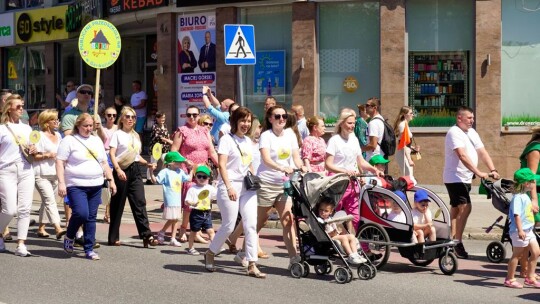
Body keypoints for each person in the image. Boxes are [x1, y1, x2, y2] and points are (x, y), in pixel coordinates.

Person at [206, 107, 266, 278]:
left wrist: (255, 179)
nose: (246, 124)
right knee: (229, 225)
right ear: (235, 122)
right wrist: (229, 186)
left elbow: (249, 164)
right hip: (229, 185)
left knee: (251, 224)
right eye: (243, 121)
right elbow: (222, 165)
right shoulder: (226, 140)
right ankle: (210, 253)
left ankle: (252, 264)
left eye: (248, 121)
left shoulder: (248, 142)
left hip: (247, 187)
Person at [56, 113, 116, 260]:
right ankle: (70, 235)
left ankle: (89, 248)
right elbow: (60, 162)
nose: (89, 129)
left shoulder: (96, 141)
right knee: (81, 213)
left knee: (91, 217)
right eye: (85, 126)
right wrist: (61, 183)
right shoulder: (69, 140)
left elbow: (103, 162)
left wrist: (111, 180)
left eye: (91, 126)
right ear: (78, 125)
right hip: (76, 184)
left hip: (95, 184)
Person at [443, 106, 500, 259]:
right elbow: (462, 155)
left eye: (472, 118)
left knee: (456, 209)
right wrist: (479, 172)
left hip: (465, 178)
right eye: (469, 118)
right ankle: (457, 242)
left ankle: (451, 240)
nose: (472, 121)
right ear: (459, 118)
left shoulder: (472, 132)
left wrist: (492, 169)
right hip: (455, 177)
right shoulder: (453, 133)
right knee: (466, 208)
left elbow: (482, 152)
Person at [256, 105, 306, 267]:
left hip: (284, 184)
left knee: (288, 220)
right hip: (266, 183)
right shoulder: (266, 136)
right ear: (270, 119)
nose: (281, 119)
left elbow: (296, 157)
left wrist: (303, 166)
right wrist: (281, 167)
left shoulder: (290, 134)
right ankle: (245, 252)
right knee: (259, 221)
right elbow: (266, 160)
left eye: (284, 116)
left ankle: (293, 258)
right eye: (277, 116)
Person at [325, 110, 383, 234]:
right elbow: (328, 164)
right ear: (341, 123)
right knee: (334, 216)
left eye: (354, 123)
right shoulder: (334, 140)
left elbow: (360, 161)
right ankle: (336, 242)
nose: (352, 126)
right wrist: (345, 171)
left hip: (352, 184)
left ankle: (357, 246)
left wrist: (374, 169)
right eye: (349, 123)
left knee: (355, 217)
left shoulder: (354, 139)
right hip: (337, 183)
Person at [108, 107, 158, 248]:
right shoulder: (117, 134)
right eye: (128, 116)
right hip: (121, 170)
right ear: (122, 118)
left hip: (135, 170)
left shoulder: (136, 135)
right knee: (118, 205)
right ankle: (113, 237)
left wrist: (147, 163)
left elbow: (136, 156)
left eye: (133, 117)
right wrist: (117, 170)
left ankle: (146, 235)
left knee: (140, 202)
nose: (131, 119)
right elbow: (112, 154)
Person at [170, 105, 218, 243]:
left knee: (203, 201)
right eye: (189, 114)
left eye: (195, 115)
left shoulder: (204, 131)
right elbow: (174, 151)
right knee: (190, 203)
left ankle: (195, 231)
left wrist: (219, 165)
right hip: (189, 172)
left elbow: (211, 151)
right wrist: (186, 161)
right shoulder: (182, 131)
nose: (192, 117)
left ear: (199, 116)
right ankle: (183, 231)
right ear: (186, 116)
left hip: (203, 172)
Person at [0, 94, 37, 256]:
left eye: (22, 106)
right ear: (9, 109)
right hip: (6, 170)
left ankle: (21, 244)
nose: (22, 109)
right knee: (9, 210)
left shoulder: (27, 128)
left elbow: (32, 148)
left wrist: (34, 149)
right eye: (18, 107)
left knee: (25, 209)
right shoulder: (1, 128)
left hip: (26, 169)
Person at [504, 168, 540, 289]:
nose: (534, 183)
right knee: (517, 255)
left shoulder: (525, 195)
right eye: (533, 181)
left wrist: (532, 210)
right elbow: (517, 215)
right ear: (526, 183)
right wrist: (520, 230)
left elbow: (524, 212)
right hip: (520, 231)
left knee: (536, 252)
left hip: (528, 230)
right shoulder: (518, 197)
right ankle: (509, 279)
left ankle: (530, 277)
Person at [33, 109, 66, 239]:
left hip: (55, 173)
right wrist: (48, 155)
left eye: (57, 119)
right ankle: (57, 227)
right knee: (49, 201)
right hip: (41, 174)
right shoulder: (37, 135)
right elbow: (34, 156)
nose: (57, 122)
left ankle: (41, 228)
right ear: (47, 123)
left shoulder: (58, 135)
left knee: (46, 202)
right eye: (54, 119)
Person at [151, 151, 191, 247]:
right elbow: (155, 180)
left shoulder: (180, 172)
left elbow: (188, 179)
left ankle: (168, 236)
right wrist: (151, 171)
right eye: (178, 162)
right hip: (170, 198)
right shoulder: (165, 172)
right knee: (174, 218)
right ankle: (165, 234)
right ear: (171, 162)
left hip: (177, 198)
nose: (180, 163)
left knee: (176, 219)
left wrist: (191, 170)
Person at [518, 125, 540, 277]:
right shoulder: (535, 149)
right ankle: (525, 270)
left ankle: (527, 270)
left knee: (530, 233)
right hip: (534, 195)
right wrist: (533, 200)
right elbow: (530, 177)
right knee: (528, 232)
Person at [317, 199, 366, 264]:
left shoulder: (330, 219)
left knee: (351, 236)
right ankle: (350, 255)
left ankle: (355, 254)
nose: (323, 212)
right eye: (321, 209)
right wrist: (334, 233)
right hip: (327, 237)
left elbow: (335, 229)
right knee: (343, 238)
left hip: (334, 235)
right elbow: (324, 233)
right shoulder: (319, 220)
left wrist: (337, 231)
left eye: (326, 211)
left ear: (331, 212)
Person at [185, 165, 217, 255]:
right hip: (196, 213)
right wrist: (192, 203)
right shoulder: (192, 189)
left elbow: (217, 196)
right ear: (195, 177)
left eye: (204, 177)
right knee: (193, 231)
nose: (201, 178)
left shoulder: (210, 188)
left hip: (207, 212)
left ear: (208, 178)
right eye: (199, 176)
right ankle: (191, 248)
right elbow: (187, 201)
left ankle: (215, 248)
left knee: (210, 231)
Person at [96, 107, 118, 223]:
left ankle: (108, 213)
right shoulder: (101, 128)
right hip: (103, 157)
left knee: (111, 185)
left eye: (114, 115)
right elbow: (100, 138)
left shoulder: (118, 129)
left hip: (114, 158)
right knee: (102, 186)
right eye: (109, 115)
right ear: (105, 116)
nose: (112, 117)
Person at [393, 106, 419, 182]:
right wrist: (409, 159)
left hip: (406, 152)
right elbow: (402, 144)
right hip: (402, 153)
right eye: (411, 113)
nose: (412, 115)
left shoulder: (405, 124)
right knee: (408, 177)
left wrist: (413, 148)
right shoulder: (402, 125)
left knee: (409, 176)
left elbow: (406, 143)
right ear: (404, 114)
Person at [147, 112, 172, 184]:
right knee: (153, 163)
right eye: (161, 118)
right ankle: (149, 179)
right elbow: (158, 136)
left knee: (166, 162)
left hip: (165, 148)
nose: (163, 119)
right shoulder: (154, 126)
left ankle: (161, 177)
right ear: (157, 118)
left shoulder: (165, 126)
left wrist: (168, 140)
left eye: (164, 117)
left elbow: (167, 135)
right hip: (156, 149)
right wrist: (167, 140)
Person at [362, 97, 385, 162]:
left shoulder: (373, 123)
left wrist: (359, 149)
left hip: (373, 158)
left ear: (375, 108)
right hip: (380, 156)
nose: (365, 107)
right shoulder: (381, 119)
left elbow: (373, 145)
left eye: (367, 105)